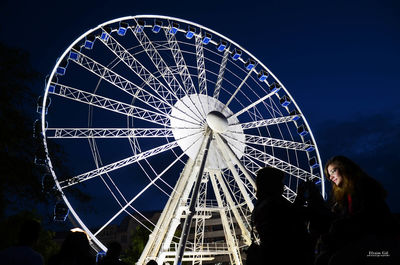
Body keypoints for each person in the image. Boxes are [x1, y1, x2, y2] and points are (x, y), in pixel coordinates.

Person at [315, 155, 400, 265]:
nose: (331, 177)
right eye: (329, 175)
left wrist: (338, 226)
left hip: (382, 248)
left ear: (345, 168)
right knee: (323, 258)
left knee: (338, 260)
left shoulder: (364, 186)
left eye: (333, 171)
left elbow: (368, 217)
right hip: (365, 241)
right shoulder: (344, 197)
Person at [249, 167, 313, 265]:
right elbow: (292, 218)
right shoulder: (273, 204)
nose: (283, 185)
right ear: (271, 185)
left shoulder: (261, 206)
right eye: (279, 182)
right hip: (288, 255)